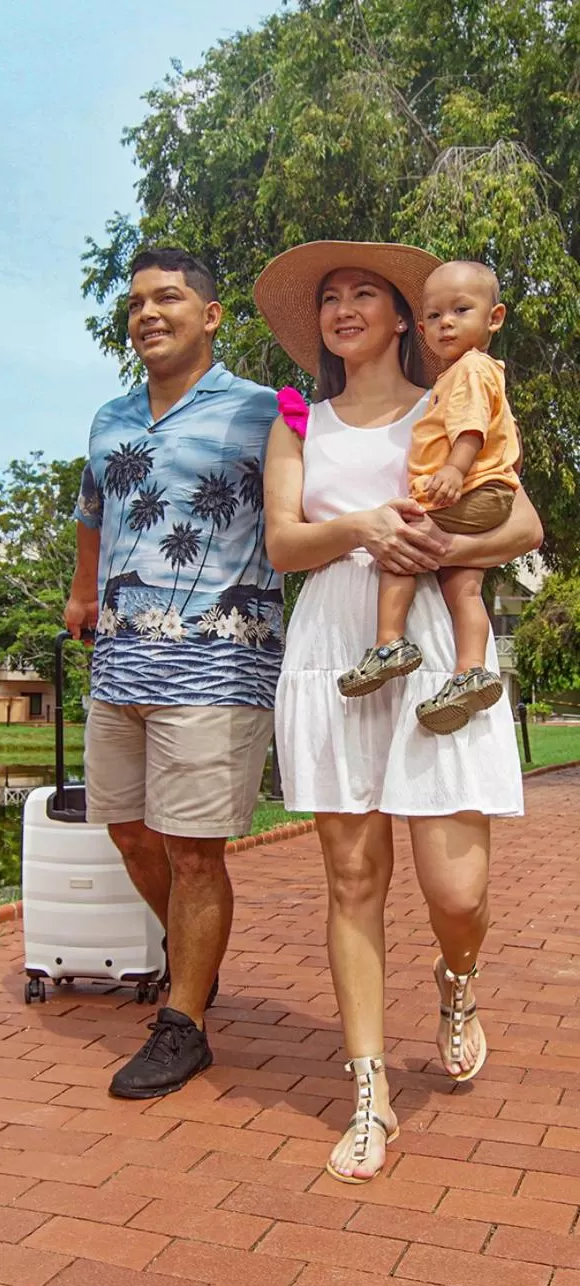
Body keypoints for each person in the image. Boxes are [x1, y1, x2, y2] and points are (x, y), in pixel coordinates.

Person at [255, 240, 542, 1183]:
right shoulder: (301, 422)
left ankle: (457, 985)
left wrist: (425, 539)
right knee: (351, 873)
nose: (343, 308)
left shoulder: (452, 396)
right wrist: (362, 526)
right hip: (339, 639)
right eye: (330, 298)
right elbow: (286, 544)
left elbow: (525, 525)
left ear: (401, 316)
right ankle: (369, 1092)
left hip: (430, 631)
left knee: (456, 892)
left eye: (363, 293)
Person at [64, 246, 280, 1100]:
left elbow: (324, 487)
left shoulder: (267, 410)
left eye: (169, 298)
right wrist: (82, 590)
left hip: (219, 660)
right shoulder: (109, 416)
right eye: (137, 302)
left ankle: (183, 1022)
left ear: (212, 316)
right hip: (119, 655)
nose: (148, 313)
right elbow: (91, 508)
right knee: (126, 829)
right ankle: (199, 958)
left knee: (195, 851)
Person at [337, 260, 521, 735]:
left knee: (402, 545)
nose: (447, 323)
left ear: (494, 318)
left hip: (474, 488)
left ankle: (389, 644)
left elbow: (471, 428)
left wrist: (454, 471)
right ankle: (472, 671)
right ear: (421, 327)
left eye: (461, 310)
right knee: (464, 587)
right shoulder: (469, 372)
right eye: (436, 316)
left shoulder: (468, 372)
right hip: (489, 494)